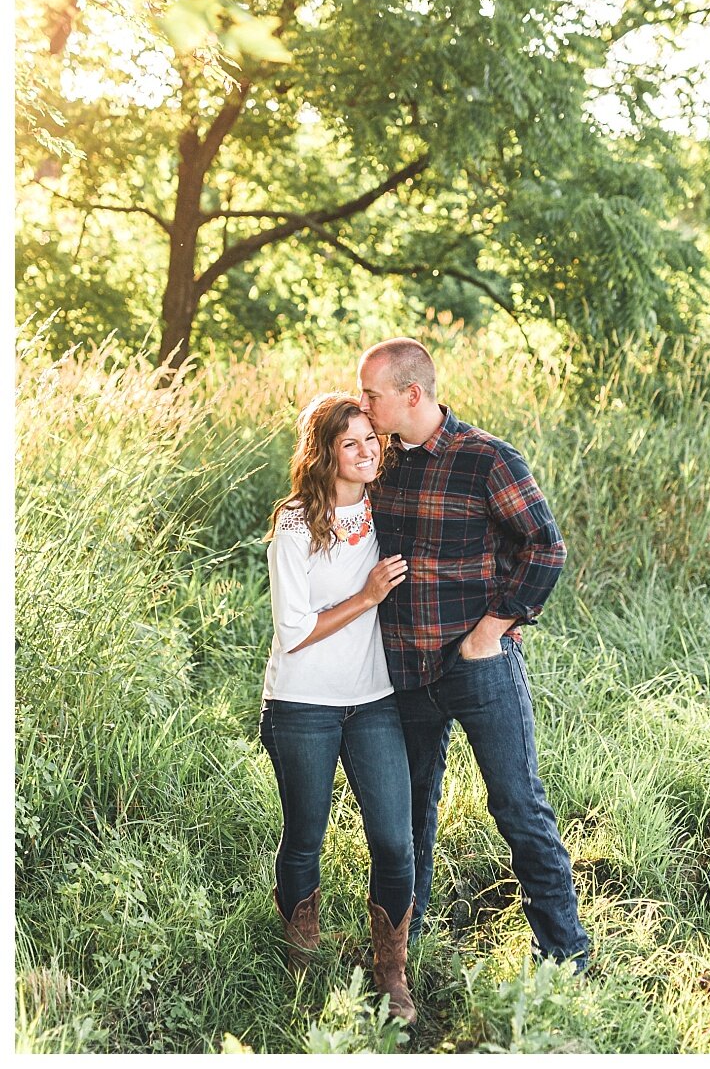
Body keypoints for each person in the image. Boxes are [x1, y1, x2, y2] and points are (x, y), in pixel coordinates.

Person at [356, 337, 590, 971]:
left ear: (412, 394)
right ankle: (406, 944)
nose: (363, 405)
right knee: (407, 814)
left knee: (517, 805)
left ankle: (564, 954)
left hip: (478, 665)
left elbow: (545, 546)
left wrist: (491, 630)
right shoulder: (381, 463)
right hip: (402, 668)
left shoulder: (486, 459)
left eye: (371, 395)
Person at [260, 393, 418, 1023]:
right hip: (302, 703)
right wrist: (368, 594)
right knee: (305, 838)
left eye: (371, 441)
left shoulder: (388, 510)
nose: (365, 453)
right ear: (323, 452)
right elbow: (294, 629)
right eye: (349, 443)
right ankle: (303, 964)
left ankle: (391, 975)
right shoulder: (296, 524)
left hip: (374, 699)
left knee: (394, 840)